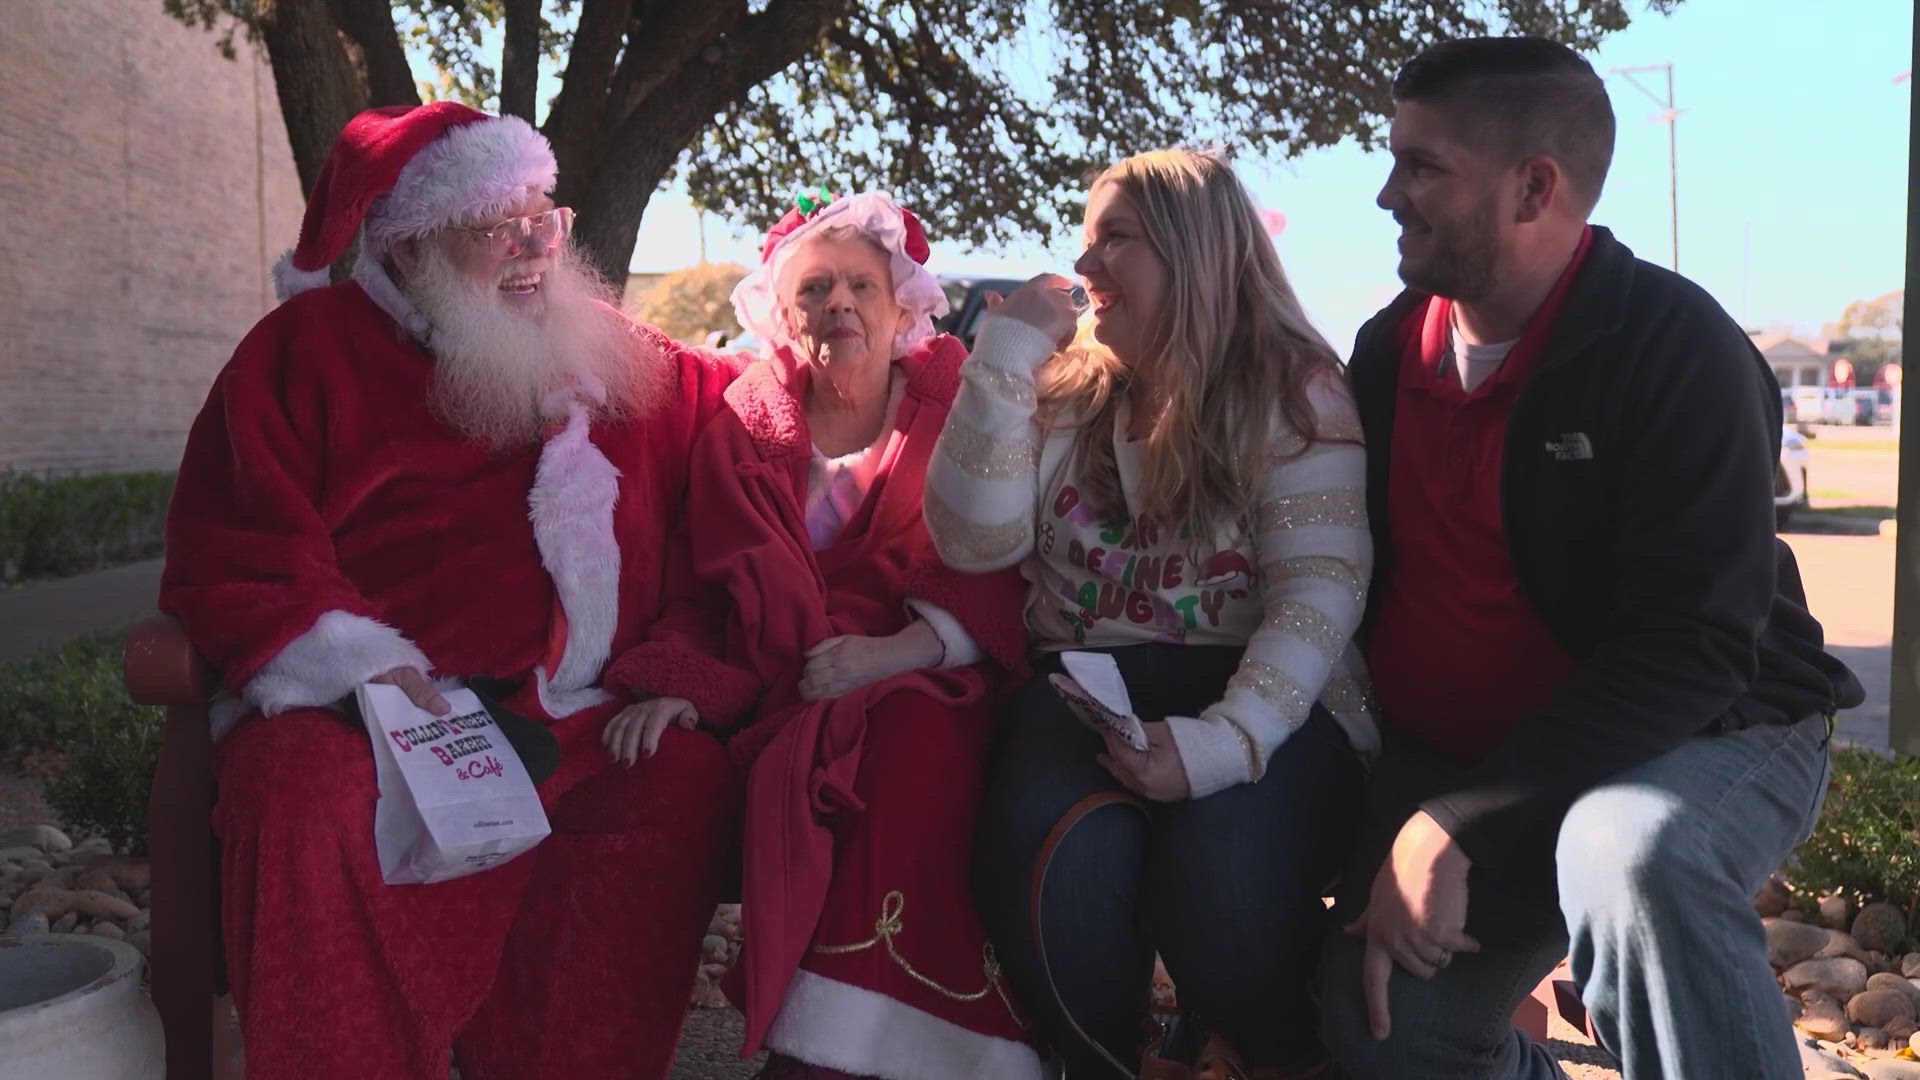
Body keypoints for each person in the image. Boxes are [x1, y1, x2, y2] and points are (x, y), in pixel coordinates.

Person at [1315, 37, 1864, 1080]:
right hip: (1485, 771)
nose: (1390, 195)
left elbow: (1695, 649)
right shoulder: (1388, 352)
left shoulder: (1675, 350)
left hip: (1709, 730)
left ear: (1534, 188)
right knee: (1390, 1026)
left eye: (1423, 166)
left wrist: (1455, 822)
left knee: (1628, 855)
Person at [160, 102, 745, 1080]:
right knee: (296, 788)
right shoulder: (302, 351)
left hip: (575, 714)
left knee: (675, 776)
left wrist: (673, 665)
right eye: (495, 225)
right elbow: (239, 538)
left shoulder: (617, 357)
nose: (532, 247)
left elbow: (737, 460)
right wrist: (363, 667)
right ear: (413, 245)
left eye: (544, 218)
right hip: (375, 714)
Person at [925, 148, 1376, 1078]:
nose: (1085, 269)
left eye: (1115, 242)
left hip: (1263, 694)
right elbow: (975, 542)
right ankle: (1107, 1063)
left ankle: (1277, 1055)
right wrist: (1005, 357)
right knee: (1061, 872)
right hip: (1085, 688)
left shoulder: (1294, 391)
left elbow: (1318, 594)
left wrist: (1220, 743)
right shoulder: (1064, 391)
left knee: (1222, 886)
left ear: (1195, 252)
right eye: (1085, 243)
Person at [603, 190, 1041, 1079]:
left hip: (929, 669)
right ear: (781, 312)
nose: (836, 304)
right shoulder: (740, 431)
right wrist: (678, 682)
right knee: (793, 757)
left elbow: (999, 558)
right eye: (813, 290)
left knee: (912, 742)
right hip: (788, 685)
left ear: (901, 304)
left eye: (858, 286)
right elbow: (700, 583)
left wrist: (893, 654)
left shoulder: (960, 404)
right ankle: (824, 1040)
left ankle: (853, 1047)